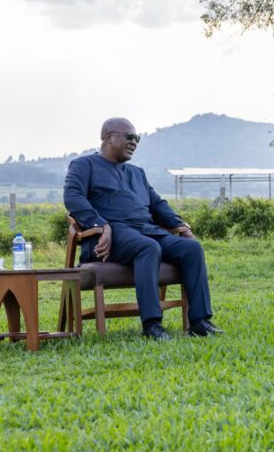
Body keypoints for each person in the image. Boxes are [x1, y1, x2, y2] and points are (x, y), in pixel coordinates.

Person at [63, 118, 221, 340]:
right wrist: (101, 225)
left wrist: (180, 225)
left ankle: (200, 321)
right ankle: (152, 325)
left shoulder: (137, 173)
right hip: (109, 237)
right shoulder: (83, 165)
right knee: (148, 247)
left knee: (191, 249)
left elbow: (157, 204)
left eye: (137, 138)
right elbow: (73, 197)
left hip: (147, 231)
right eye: (129, 137)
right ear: (107, 137)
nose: (134, 142)